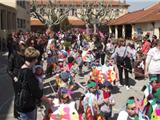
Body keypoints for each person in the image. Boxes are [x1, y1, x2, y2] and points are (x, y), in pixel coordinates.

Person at [15, 47, 51, 120]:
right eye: (36, 59)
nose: (37, 60)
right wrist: (48, 100)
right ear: (34, 60)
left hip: (22, 104)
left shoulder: (22, 68)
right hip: (27, 106)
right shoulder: (28, 73)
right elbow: (36, 92)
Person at [7, 41, 25, 118]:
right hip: (16, 78)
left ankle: (22, 110)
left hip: (24, 76)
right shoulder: (13, 55)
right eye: (22, 50)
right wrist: (14, 77)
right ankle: (16, 113)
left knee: (23, 94)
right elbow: (8, 70)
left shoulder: (24, 54)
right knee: (18, 95)